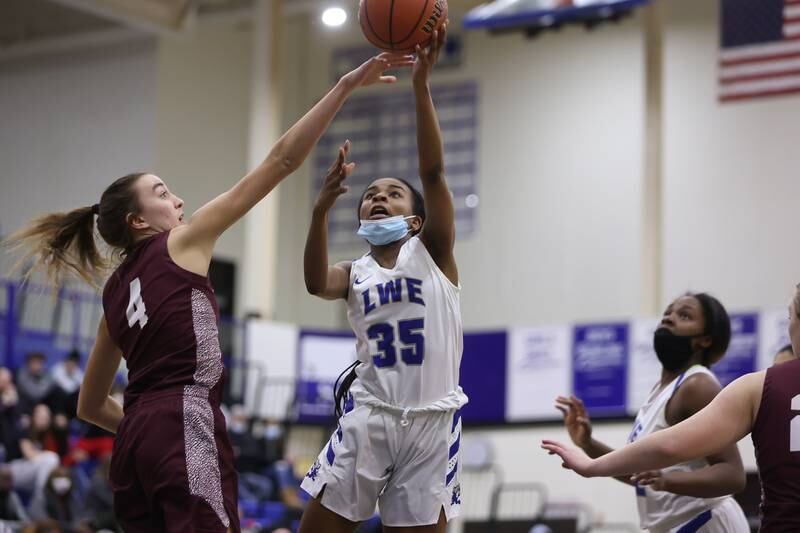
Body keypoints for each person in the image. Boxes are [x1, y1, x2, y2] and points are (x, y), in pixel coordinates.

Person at [6, 51, 413, 533]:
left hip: (135, 441)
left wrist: (146, 429)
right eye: (161, 193)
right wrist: (344, 84)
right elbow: (281, 160)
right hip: (183, 415)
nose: (177, 200)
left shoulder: (114, 294)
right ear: (139, 222)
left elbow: (89, 406)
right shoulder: (182, 241)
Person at [299, 26, 465, 533]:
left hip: (432, 421)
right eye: (370, 193)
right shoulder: (356, 273)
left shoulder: (432, 253)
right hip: (370, 414)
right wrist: (320, 212)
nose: (378, 197)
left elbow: (434, 173)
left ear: (415, 219)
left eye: (393, 193)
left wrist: (420, 86)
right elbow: (313, 282)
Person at [542, 284, 800, 532]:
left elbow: (732, 475)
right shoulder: (660, 391)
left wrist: (668, 481)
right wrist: (588, 444)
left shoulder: (697, 386)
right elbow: (643, 474)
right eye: (667, 313)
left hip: (704, 521)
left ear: (705, 339)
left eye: (684, 315)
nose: (668, 319)